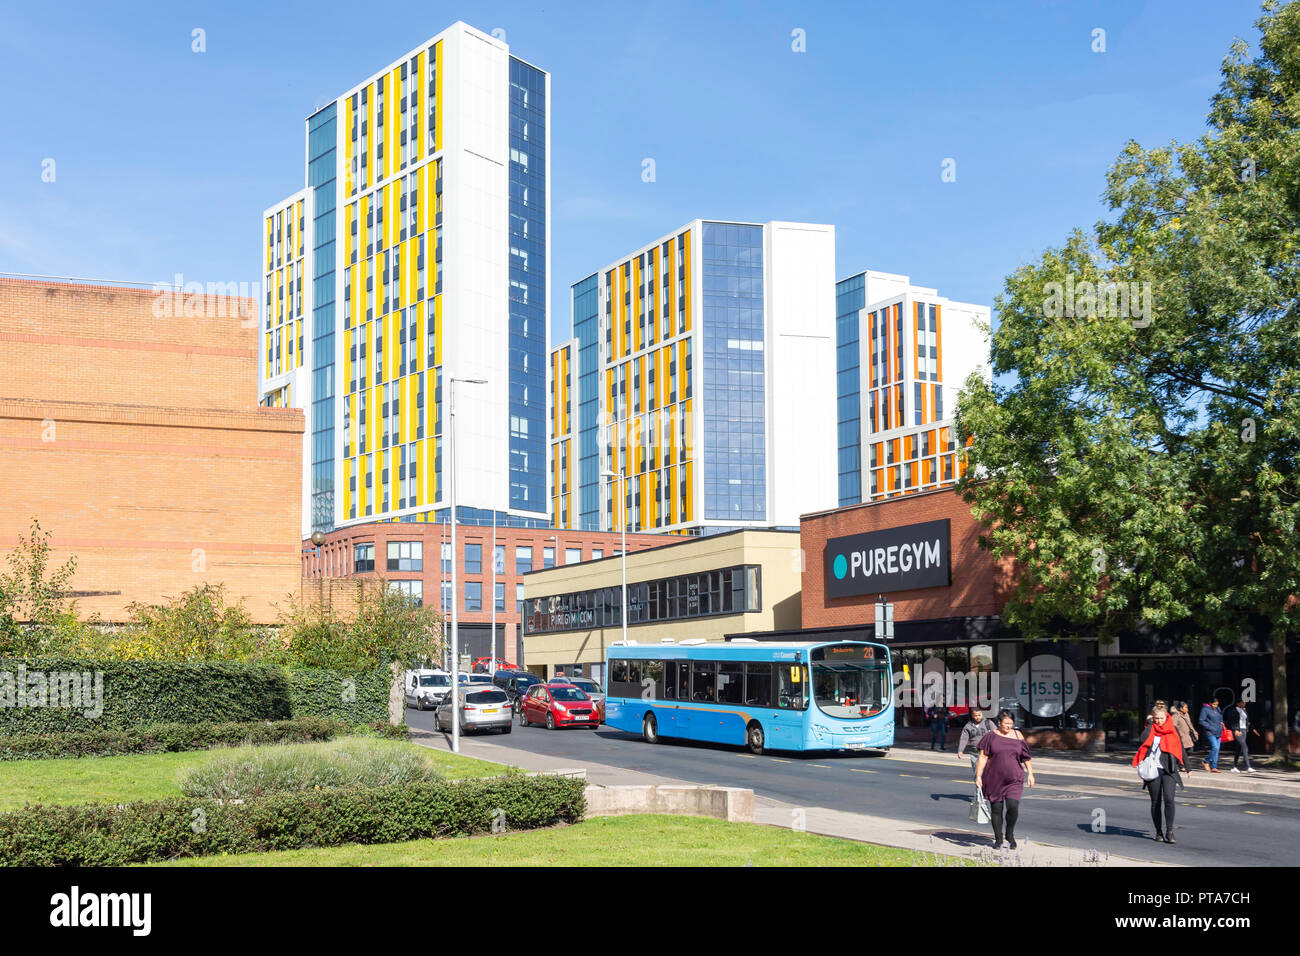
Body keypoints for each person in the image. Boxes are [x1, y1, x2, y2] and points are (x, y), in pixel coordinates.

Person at [975, 709, 1035, 849]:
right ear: (999, 722)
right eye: (1006, 723)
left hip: (1014, 778)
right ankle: (998, 839)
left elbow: (1026, 757)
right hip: (994, 779)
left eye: (1011, 723)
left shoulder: (1017, 735)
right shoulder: (991, 736)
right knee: (997, 809)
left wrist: (1030, 773)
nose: (1009, 726)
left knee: (1013, 807)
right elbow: (983, 757)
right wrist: (978, 776)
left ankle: (1009, 834)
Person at [1133, 702, 1185, 843]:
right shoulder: (1150, 729)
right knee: (1156, 802)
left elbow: (1179, 746)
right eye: (1156, 718)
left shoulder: (1172, 729)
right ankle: (1158, 832)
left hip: (1169, 769)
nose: (1159, 721)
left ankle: (1169, 831)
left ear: (1166, 717)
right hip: (1153, 770)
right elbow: (1143, 739)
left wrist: (1187, 766)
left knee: (1169, 799)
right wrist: (1150, 724)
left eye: (1161, 718)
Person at [1222, 700, 1259, 773]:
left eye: (1245, 703)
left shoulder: (1244, 710)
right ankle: (1248, 767)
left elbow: (1247, 721)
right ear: (1238, 703)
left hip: (1244, 730)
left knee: (1239, 748)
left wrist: (1251, 728)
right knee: (1244, 746)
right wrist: (1235, 729)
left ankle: (1234, 767)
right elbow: (1231, 721)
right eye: (1242, 702)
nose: (1244, 704)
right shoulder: (1233, 711)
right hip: (1237, 730)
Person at [956, 708, 994, 779]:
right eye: (976, 715)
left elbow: (997, 735)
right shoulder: (968, 726)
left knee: (989, 775)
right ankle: (979, 790)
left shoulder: (988, 723)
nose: (978, 717)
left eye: (979, 715)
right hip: (975, 754)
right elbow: (964, 739)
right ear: (972, 715)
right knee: (978, 775)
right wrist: (960, 750)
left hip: (988, 754)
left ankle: (987, 789)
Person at [1170, 701, 1199, 774]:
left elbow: (1190, 724)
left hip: (1188, 736)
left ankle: (1180, 762)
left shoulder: (1187, 715)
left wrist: (1195, 732)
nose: (1187, 709)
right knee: (1182, 752)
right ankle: (1181, 765)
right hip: (1180, 737)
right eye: (1186, 707)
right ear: (1180, 708)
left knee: (1190, 750)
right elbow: (1172, 726)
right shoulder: (1175, 716)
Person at [1198, 698, 1224, 772]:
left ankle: (1214, 767)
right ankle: (1206, 761)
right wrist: (1210, 727)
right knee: (1215, 747)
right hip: (1210, 731)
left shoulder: (1218, 709)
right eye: (1214, 704)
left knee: (1217, 749)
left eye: (1217, 704)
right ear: (1210, 703)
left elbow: (1220, 718)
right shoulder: (1205, 709)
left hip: (1218, 731)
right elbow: (1201, 720)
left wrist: (1221, 725)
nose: (1215, 706)